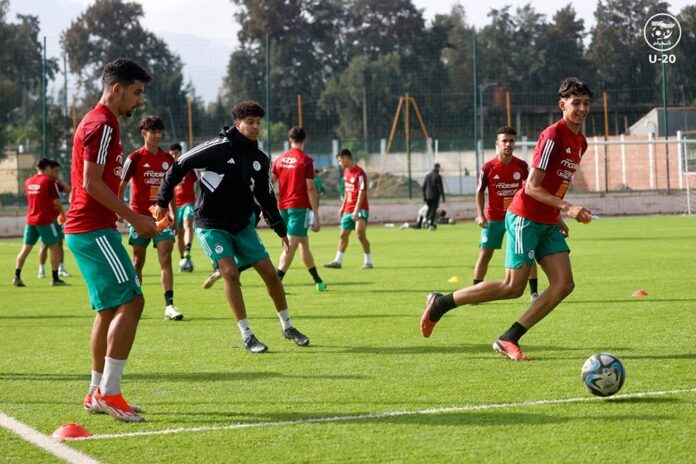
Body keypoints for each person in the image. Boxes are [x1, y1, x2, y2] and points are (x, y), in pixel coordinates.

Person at [420, 77, 594, 362]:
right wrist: (567, 206)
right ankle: (440, 303)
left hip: (547, 220)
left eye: (586, 103)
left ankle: (508, 338)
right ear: (562, 105)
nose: (582, 109)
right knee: (512, 287)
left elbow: (557, 181)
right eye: (576, 103)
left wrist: (557, 215)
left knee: (564, 284)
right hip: (525, 217)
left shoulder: (581, 142)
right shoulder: (553, 136)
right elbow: (532, 187)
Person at [156, 100, 310, 353]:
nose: (255, 126)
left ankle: (287, 326)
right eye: (250, 122)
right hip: (210, 224)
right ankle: (248, 335)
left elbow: (266, 194)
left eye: (258, 122)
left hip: (242, 225)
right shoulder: (217, 148)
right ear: (237, 123)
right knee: (230, 272)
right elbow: (180, 164)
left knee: (271, 273)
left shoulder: (259, 158)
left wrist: (279, 228)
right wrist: (162, 201)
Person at [64, 58, 157, 422]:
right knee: (133, 301)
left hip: (86, 229)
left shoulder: (100, 122)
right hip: (92, 228)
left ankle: (94, 392)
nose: (138, 101)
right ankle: (110, 392)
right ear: (117, 89)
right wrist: (133, 218)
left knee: (107, 310)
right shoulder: (102, 124)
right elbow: (91, 183)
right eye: (135, 93)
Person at [118, 115, 183, 321]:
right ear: (143, 133)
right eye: (152, 131)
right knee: (138, 260)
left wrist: (174, 214)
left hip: (161, 217)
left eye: (158, 131)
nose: (156, 135)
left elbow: (170, 190)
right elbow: (120, 186)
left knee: (166, 258)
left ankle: (170, 305)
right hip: (139, 217)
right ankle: (134, 302)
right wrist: (120, 211)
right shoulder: (134, 158)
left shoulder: (168, 160)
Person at [474, 126, 539, 301]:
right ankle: (474, 291)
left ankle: (534, 293)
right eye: (504, 141)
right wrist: (480, 215)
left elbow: (531, 189)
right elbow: (480, 192)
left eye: (511, 141)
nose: (508, 144)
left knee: (527, 254)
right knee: (485, 254)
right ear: (497, 143)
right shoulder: (488, 167)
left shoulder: (522, 166)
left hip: (517, 219)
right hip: (493, 219)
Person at [272, 126, 326, 291]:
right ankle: (276, 282)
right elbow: (310, 189)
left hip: (283, 207)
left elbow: (270, 182)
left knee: (303, 244)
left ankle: (317, 280)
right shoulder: (306, 160)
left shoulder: (279, 159)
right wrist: (316, 216)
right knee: (292, 246)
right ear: (305, 140)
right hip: (298, 208)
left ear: (290, 140)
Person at [13, 157, 69, 287]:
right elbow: (56, 202)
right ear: (48, 168)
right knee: (55, 247)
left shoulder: (28, 181)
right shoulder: (49, 182)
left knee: (26, 248)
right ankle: (55, 278)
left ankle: (17, 276)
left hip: (31, 219)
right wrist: (62, 213)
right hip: (45, 220)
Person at [323, 149, 372, 269]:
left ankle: (368, 261)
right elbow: (346, 191)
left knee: (360, 234)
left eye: (340, 160)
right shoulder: (345, 172)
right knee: (343, 235)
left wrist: (356, 209)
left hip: (360, 209)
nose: (339, 163)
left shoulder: (360, 173)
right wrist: (342, 207)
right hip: (348, 209)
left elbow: (362, 192)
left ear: (346, 158)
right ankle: (338, 261)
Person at [37, 159, 72, 279]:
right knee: (45, 244)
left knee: (59, 243)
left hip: (56, 218)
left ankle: (61, 268)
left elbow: (68, 190)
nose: (57, 173)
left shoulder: (55, 183)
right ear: (49, 170)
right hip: (47, 218)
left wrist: (60, 181)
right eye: (55, 170)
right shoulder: (44, 182)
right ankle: (41, 269)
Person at [169, 142, 197, 273]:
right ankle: (183, 259)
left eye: (176, 153)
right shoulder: (168, 169)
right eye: (172, 153)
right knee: (179, 234)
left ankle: (188, 250)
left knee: (188, 223)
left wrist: (195, 197)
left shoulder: (188, 167)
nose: (174, 155)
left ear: (181, 153)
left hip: (188, 202)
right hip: (175, 205)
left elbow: (197, 183)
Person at [422, 163, 445, 230]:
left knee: (429, 209)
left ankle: (426, 220)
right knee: (433, 210)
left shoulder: (427, 176)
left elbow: (423, 187)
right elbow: (441, 187)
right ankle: (430, 223)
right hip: (435, 195)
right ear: (437, 167)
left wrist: (424, 196)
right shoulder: (438, 176)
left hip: (428, 196)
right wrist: (443, 196)